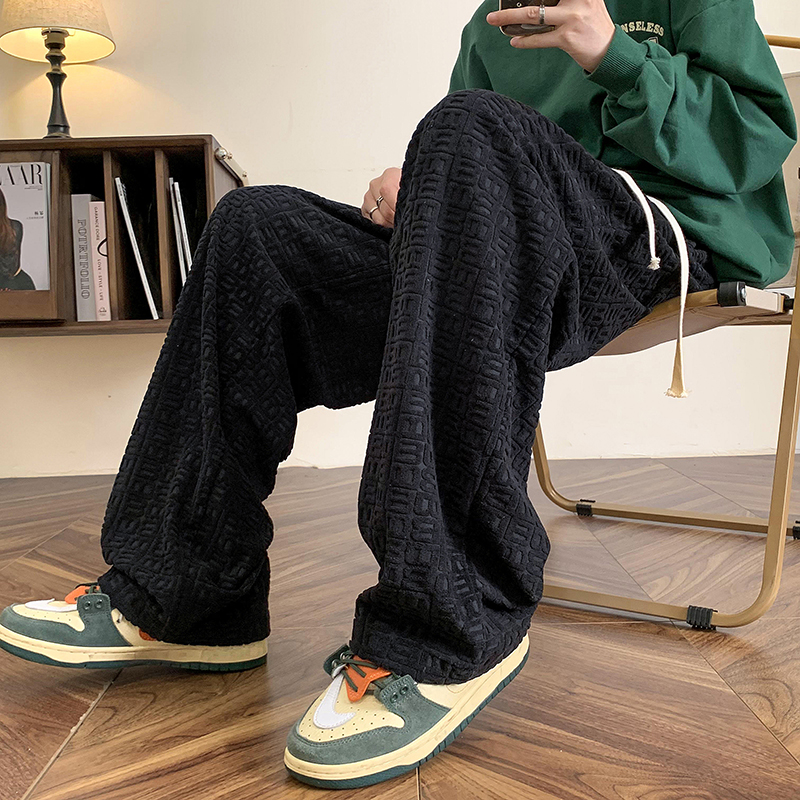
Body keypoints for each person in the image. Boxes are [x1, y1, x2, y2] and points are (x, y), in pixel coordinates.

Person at [0, 0, 795, 790]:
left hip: (660, 238)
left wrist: (614, 53)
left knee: (468, 127)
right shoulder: (495, 20)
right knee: (256, 226)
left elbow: (757, 143)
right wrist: (418, 189)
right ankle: (187, 591)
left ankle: (447, 622)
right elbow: (477, 160)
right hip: (517, 240)